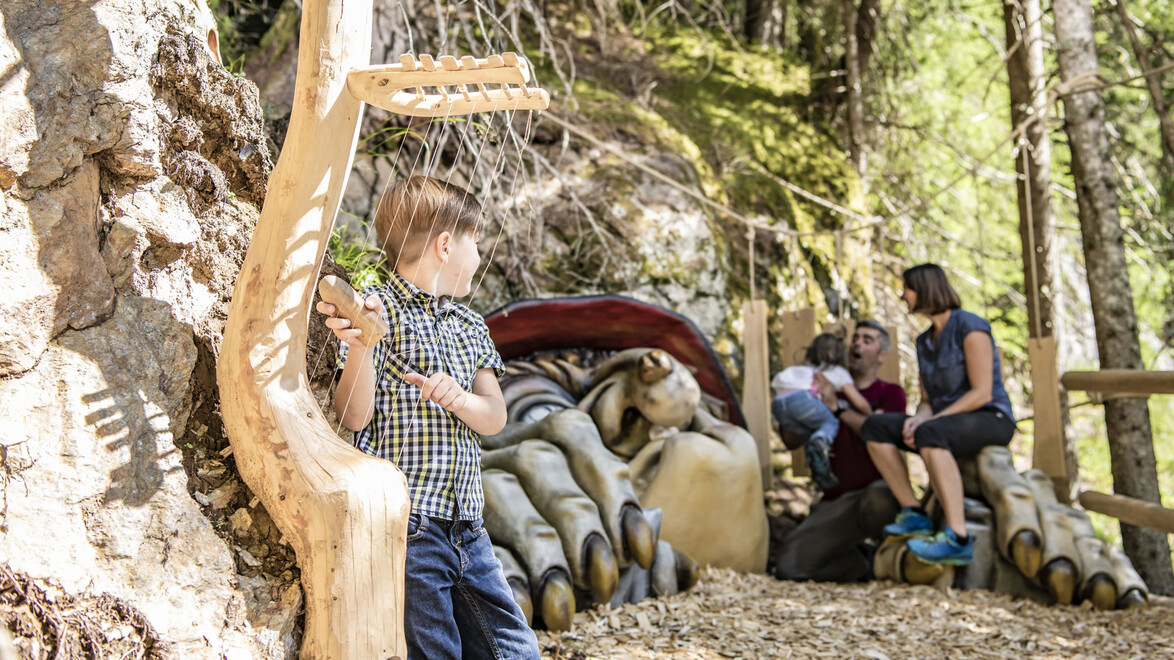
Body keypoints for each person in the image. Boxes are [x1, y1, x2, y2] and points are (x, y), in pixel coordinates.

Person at [319, 175, 541, 659]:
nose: (480, 259)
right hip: (411, 526)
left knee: (516, 650)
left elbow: (494, 417)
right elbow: (353, 417)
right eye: (475, 244)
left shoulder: (470, 325)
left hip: (470, 527)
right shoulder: (377, 306)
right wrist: (359, 346)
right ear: (446, 245)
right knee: (434, 650)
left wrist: (459, 399)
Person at [861, 263, 1016, 566]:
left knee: (930, 433)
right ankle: (914, 512)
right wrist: (919, 417)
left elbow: (982, 393)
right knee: (875, 426)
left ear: (924, 289)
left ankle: (957, 537)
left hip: (990, 418)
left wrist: (930, 423)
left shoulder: (971, 327)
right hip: (943, 423)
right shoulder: (923, 342)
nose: (902, 295)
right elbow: (928, 400)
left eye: (907, 288)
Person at [773, 320, 907, 583]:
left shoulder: (890, 394)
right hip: (835, 502)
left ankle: (893, 557)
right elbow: (791, 442)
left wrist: (836, 409)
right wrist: (795, 405)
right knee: (789, 567)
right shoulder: (820, 385)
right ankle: (863, 562)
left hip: (877, 494)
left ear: (882, 356)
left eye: (867, 340)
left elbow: (877, 433)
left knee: (879, 497)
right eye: (854, 338)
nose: (857, 343)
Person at [771, 332, 873, 490]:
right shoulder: (837, 371)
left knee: (809, 434)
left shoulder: (801, 369)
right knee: (829, 422)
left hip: (778, 404)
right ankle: (820, 445)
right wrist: (870, 414)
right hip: (802, 400)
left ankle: (820, 470)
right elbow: (858, 402)